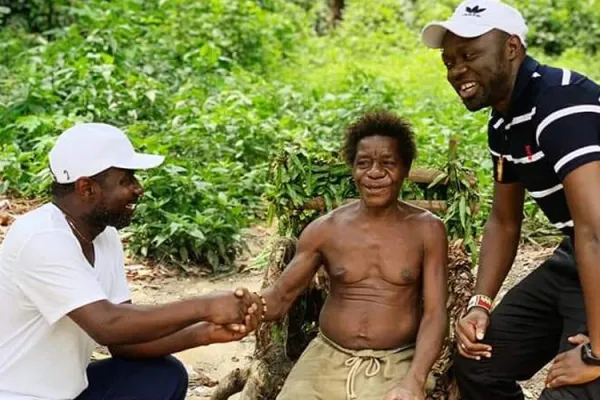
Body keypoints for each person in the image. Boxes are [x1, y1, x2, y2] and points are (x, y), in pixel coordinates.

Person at [0, 123, 259, 400]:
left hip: (70, 391)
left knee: (162, 376)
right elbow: (106, 325)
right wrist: (206, 306)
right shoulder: (41, 238)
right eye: (126, 180)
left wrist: (207, 333)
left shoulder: (103, 235)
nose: (138, 189)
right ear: (86, 188)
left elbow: (122, 341)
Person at [421, 0, 600, 398]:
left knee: (567, 389)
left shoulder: (561, 102)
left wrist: (596, 354)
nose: (457, 70)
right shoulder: (504, 123)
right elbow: (503, 221)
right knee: (478, 362)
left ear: (512, 48)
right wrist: (480, 304)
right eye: (449, 61)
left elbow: (596, 229)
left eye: (469, 55)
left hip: (594, 246)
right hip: (577, 257)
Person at [249, 111, 449, 400]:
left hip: (395, 361)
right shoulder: (325, 230)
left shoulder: (427, 230)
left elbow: (434, 313)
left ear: (405, 169)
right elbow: (279, 298)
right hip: (326, 357)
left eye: (388, 164)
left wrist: (414, 380)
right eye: (363, 163)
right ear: (352, 169)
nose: (374, 173)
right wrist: (240, 306)